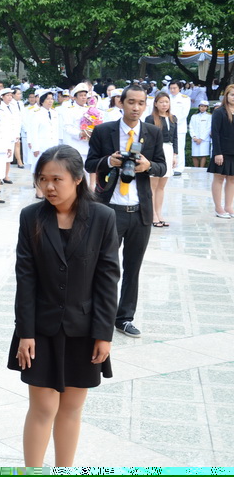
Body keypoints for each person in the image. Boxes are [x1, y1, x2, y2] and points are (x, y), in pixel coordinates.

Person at [10, 144, 119, 467]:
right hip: (40, 329)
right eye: (43, 179)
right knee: (43, 407)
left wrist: (104, 334)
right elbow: (25, 278)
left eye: (57, 179)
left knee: (71, 408)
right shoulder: (31, 217)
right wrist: (25, 333)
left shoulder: (102, 217)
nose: (49, 187)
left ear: (78, 179)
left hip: (83, 329)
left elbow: (107, 279)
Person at [86, 84, 167, 338]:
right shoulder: (103, 131)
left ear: (146, 105)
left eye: (141, 103)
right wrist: (109, 161)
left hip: (140, 211)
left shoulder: (152, 132)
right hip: (110, 210)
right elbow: (89, 163)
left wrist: (148, 166)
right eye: (131, 102)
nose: (136, 107)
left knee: (133, 268)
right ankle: (98, 315)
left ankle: (124, 318)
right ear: (121, 103)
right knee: (103, 266)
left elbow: (162, 167)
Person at [144, 92, 178, 227]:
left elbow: (175, 138)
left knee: (162, 186)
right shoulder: (150, 118)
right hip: (156, 151)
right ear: (156, 104)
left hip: (169, 151)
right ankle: (152, 214)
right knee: (153, 185)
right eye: (161, 102)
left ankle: (159, 213)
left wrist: (175, 155)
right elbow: (147, 139)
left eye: (166, 102)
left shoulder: (173, 118)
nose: (164, 104)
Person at [209, 85, 234, 218]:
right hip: (222, 151)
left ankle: (228, 206)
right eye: (232, 95)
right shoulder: (219, 112)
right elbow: (215, 133)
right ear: (226, 96)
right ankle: (218, 208)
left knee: (232, 179)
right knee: (219, 178)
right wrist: (217, 153)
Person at [29, 92, 59, 198]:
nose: (50, 101)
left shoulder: (54, 113)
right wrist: (35, 147)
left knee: (50, 169)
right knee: (38, 169)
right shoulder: (36, 113)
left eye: (52, 99)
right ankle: (39, 191)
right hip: (40, 146)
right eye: (48, 99)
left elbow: (56, 130)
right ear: (42, 101)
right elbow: (33, 132)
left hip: (52, 146)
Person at [189, 101, 212, 168]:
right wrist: (194, 137)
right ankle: (196, 169)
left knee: (203, 155)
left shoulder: (209, 116)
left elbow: (208, 128)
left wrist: (201, 138)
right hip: (195, 139)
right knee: (194, 155)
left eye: (205, 106)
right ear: (199, 107)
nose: (203, 108)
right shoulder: (194, 116)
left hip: (204, 139)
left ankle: (201, 169)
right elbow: (191, 127)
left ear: (207, 107)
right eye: (201, 106)